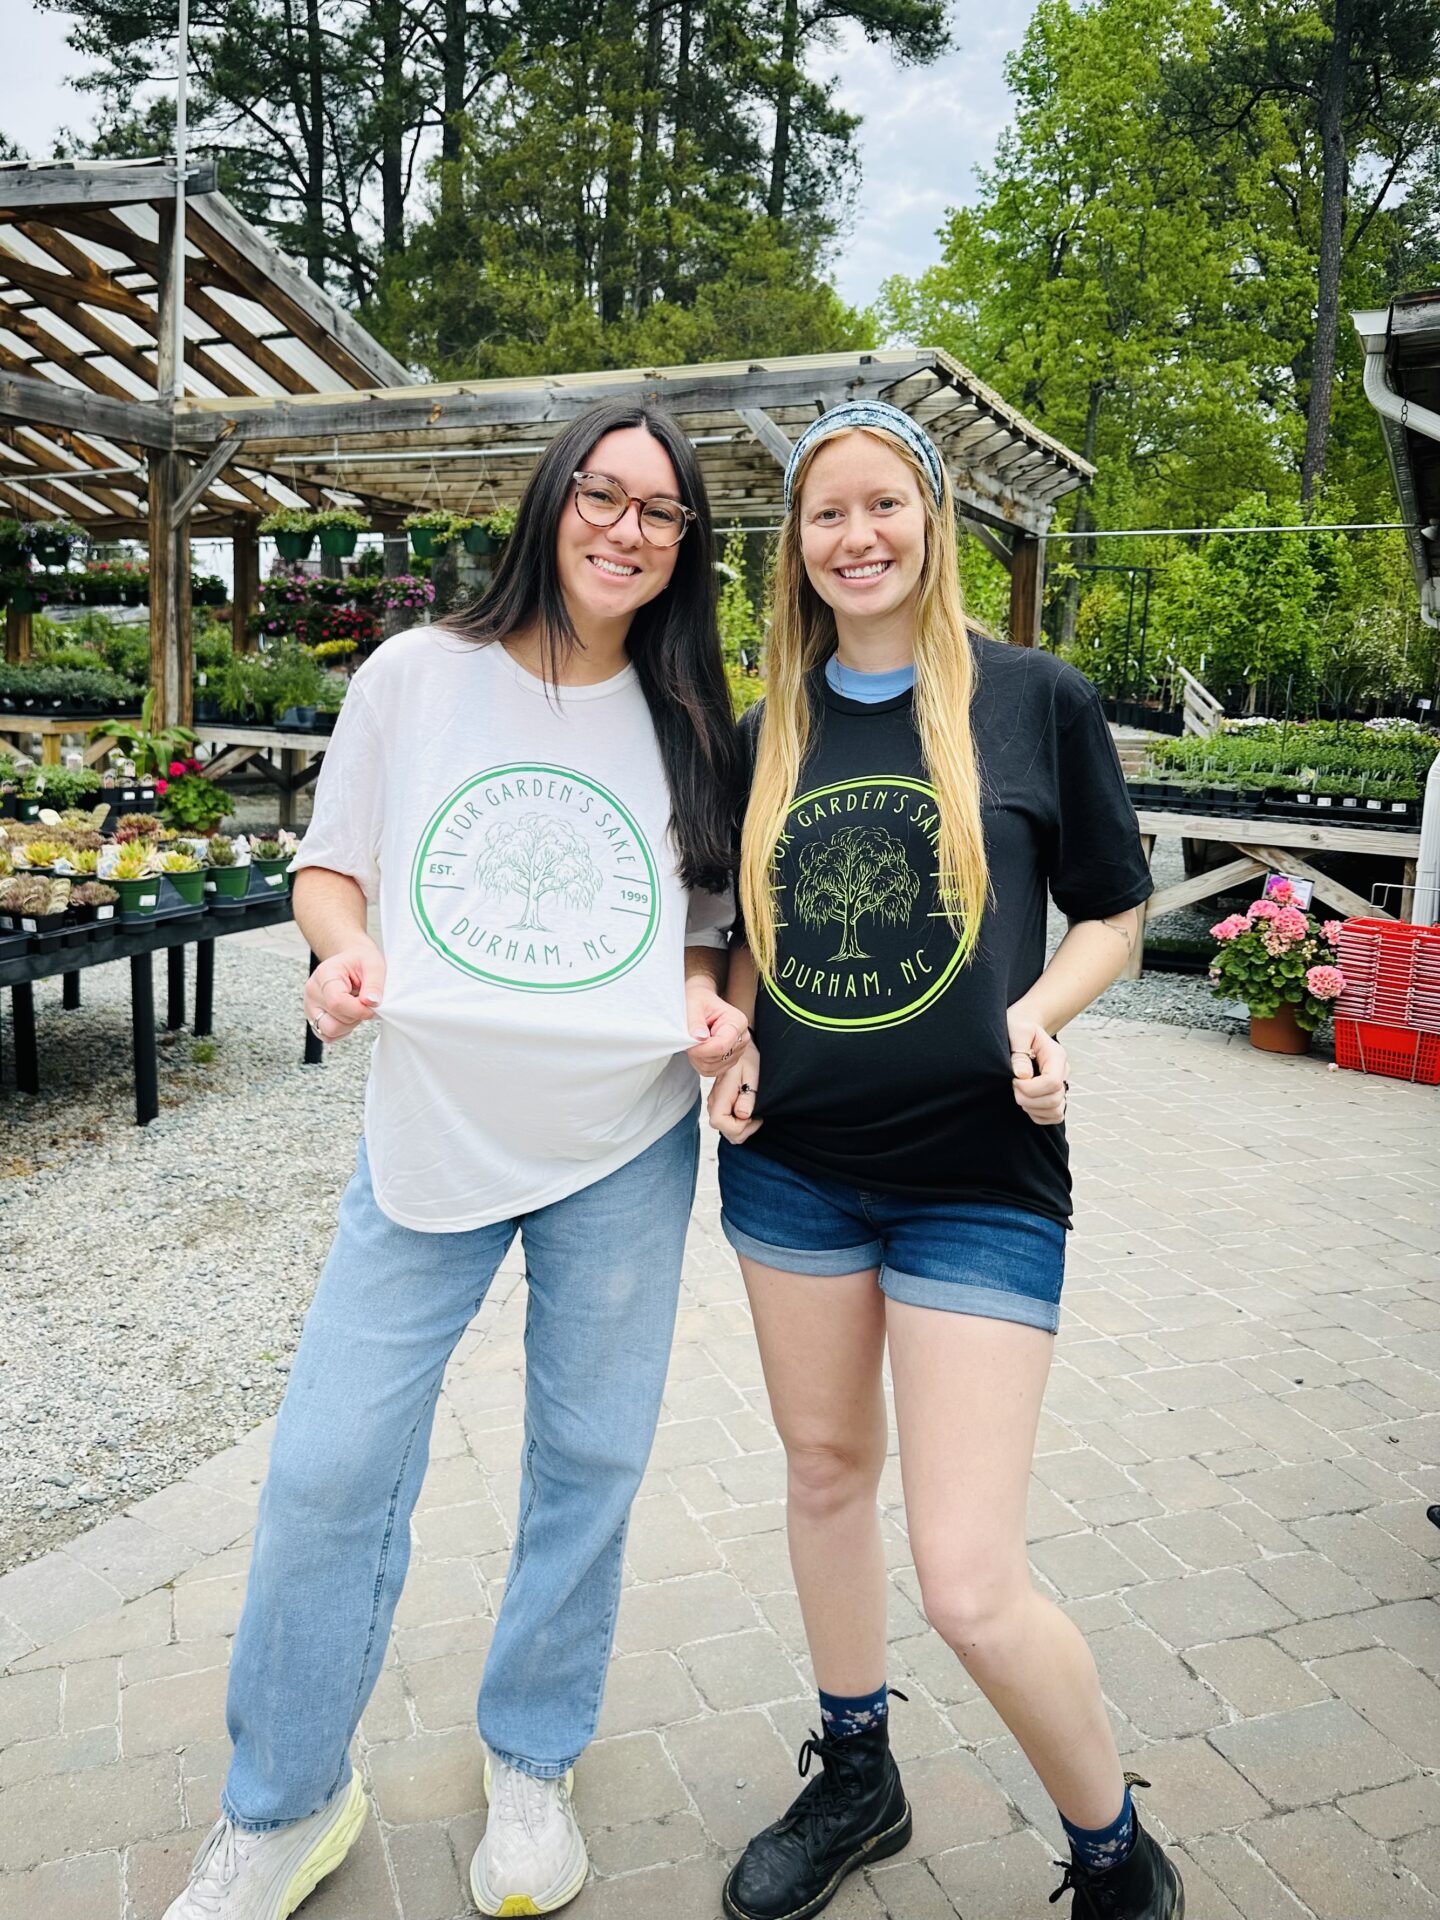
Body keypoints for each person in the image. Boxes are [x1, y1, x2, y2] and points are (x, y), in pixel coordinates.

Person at [164, 402, 748, 1920]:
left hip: (622, 1136)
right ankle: (284, 1803)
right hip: (431, 1129)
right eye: (603, 497)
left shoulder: (694, 719)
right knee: (331, 1466)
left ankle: (533, 1757)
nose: (627, 530)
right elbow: (331, 866)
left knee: (591, 1460)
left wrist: (708, 1011)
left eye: (661, 515)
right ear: (551, 500)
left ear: (687, 549)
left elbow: (703, 934)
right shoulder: (416, 676)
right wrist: (344, 957)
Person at [708, 401, 1182, 1920]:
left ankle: (1114, 1850)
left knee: (970, 1579)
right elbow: (726, 944)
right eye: (825, 513)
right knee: (827, 1471)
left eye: (883, 506)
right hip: (793, 1177)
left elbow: (1114, 910)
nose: (857, 536)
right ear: (795, 546)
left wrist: (1040, 1015)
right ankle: (860, 1775)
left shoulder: (1035, 700)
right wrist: (727, 1038)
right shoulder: (760, 730)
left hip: (983, 1175)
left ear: (933, 520)